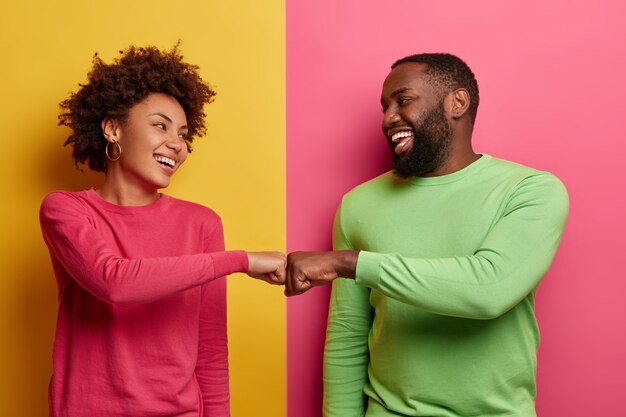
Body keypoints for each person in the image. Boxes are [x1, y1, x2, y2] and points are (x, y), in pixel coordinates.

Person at [285, 53, 569, 417]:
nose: (389, 118)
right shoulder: (359, 204)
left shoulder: (530, 190)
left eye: (403, 101)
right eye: (384, 107)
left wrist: (350, 263)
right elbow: (348, 336)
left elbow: (490, 289)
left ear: (457, 102)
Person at [39, 44, 286, 417]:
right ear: (112, 129)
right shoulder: (67, 210)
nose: (177, 144)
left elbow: (211, 348)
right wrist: (241, 261)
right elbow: (115, 282)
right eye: (160, 125)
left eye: (184, 134)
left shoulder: (201, 223)